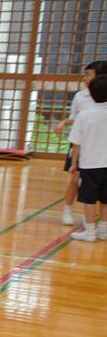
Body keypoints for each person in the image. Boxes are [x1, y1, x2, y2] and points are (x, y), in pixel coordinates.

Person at [55, 60, 106, 226]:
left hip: (99, 146)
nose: (84, 78)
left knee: (96, 184)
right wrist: (64, 122)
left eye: (88, 74)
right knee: (75, 179)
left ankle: (89, 217)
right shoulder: (80, 96)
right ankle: (68, 209)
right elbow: (75, 118)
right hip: (81, 144)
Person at [68, 74, 107, 242]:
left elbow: (77, 143)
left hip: (90, 164)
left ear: (90, 93)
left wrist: (73, 163)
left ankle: (90, 231)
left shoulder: (84, 115)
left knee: (89, 200)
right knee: (105, 200)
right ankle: (104, 230)